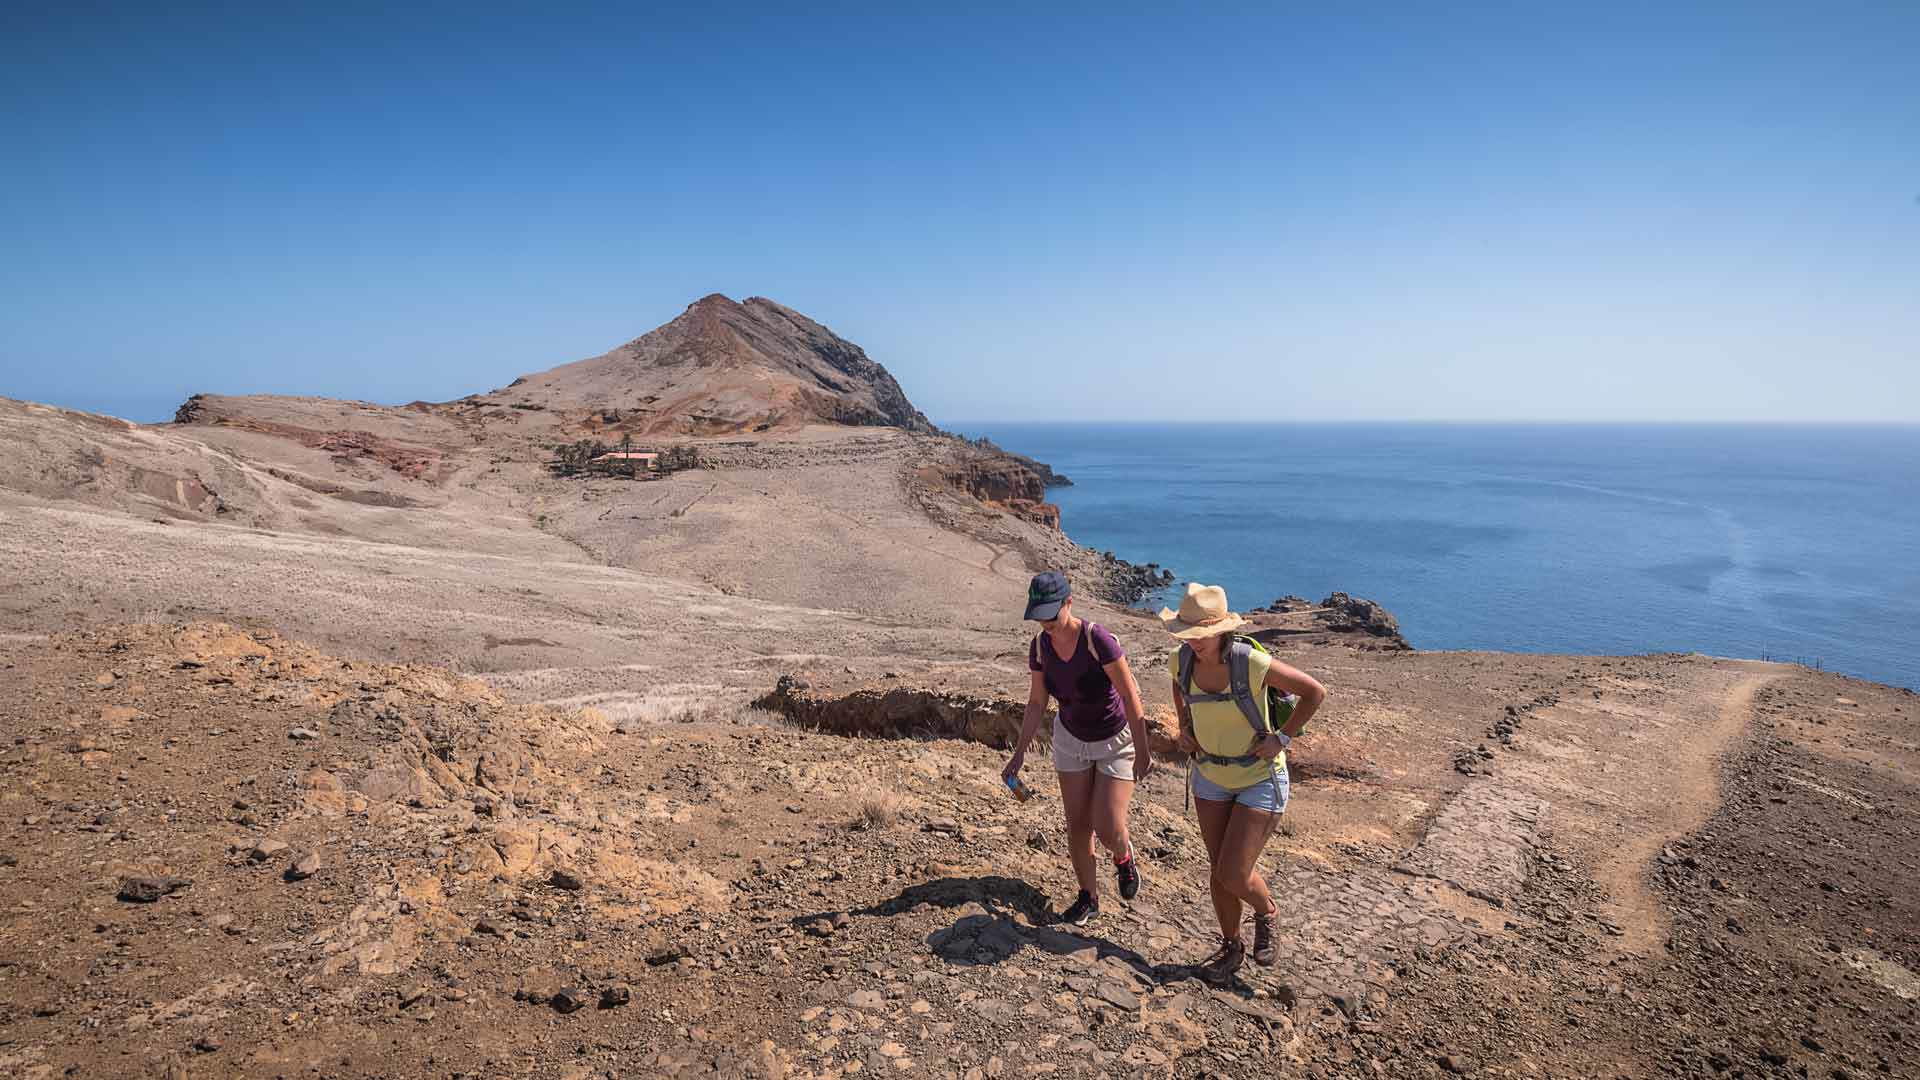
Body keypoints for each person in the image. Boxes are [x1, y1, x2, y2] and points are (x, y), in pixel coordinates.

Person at [1162, 582, 1326, 985]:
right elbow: (1179, 692)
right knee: (1219, 872)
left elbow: (1313, 692)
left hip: (1259, 779)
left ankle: (1267, 911)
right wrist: (1185, 729)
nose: (1192, 642)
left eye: (1199, 635)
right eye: (1187, 634)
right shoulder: (1179, 661)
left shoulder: (1249, 662)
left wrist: (1282, 738)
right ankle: (1231, 946)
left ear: (1220, 631)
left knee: (1234, 872)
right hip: (1211, 777)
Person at [1003, 571, 1153, 926]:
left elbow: (1130, 696)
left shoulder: (1096, 639)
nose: (1046, 623)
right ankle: (1088, 897)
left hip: (1115, 741)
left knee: (1107, 825)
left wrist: (1144, 750)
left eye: (1051, 615)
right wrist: (1020, 752)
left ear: (1069, 603)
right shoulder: (1040, 647)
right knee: (1077, 826)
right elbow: (1037, 701)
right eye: (1039, 616)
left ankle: (1123, 856)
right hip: (1071, 740)